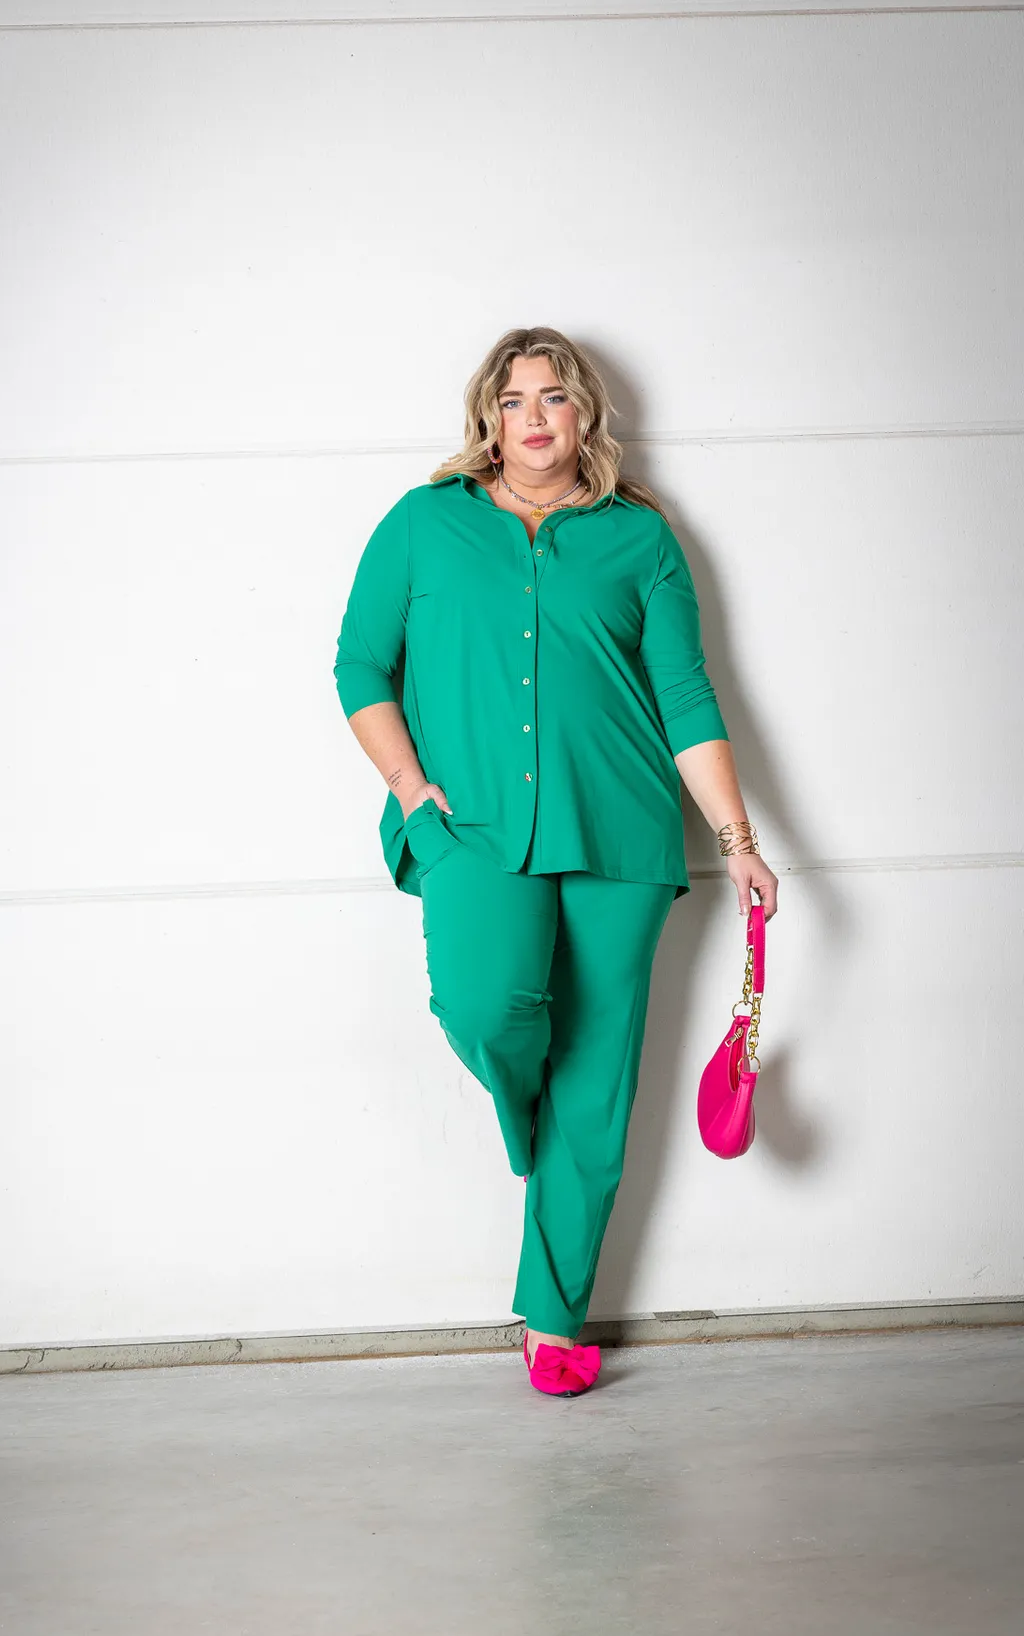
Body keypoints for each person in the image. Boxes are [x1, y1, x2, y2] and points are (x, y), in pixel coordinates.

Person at [332, 325, 778, 1398]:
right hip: (470, 828)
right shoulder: (423, 523)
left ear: (585, 414)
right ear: (489, 419)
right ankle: (528, 1115)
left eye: (554, 397)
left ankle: (554, 1314)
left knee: (598, 1077)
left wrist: (739, 841)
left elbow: (685, 696)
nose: (534, 417)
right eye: (514, 399)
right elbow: (359, 664)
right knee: (485, 1007)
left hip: (621, 830)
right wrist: (411, 790)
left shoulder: (642, 540)